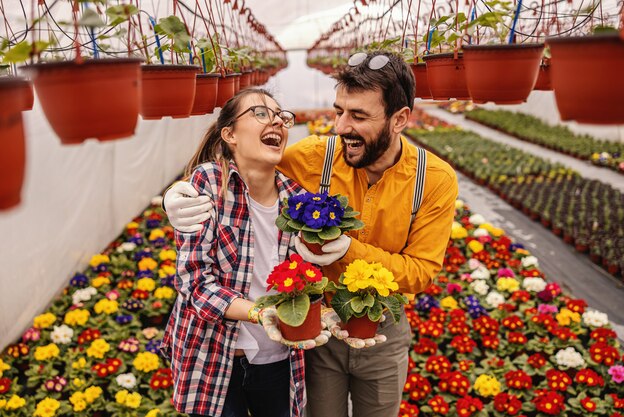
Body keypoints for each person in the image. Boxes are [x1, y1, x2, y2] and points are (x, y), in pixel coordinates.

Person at [165, 51, 458, 417]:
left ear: (399, 119)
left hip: (382, 330)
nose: (341, 126)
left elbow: (421, 272)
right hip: (317, 329)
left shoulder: (433, 180)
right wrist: (176, 195)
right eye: (339, 111)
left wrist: (349, 250)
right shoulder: (313, 157)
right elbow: (245, 160)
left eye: (359, 116)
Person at [159, 88, 328, 417]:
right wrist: (258, 312)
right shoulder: (209, 184)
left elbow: (307, 278)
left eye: (281, 116)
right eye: (261, 113)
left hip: (277, 357)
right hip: (214, 357)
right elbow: (193, 282)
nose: (277, 121)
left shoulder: (297, 200)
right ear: (230, 134)